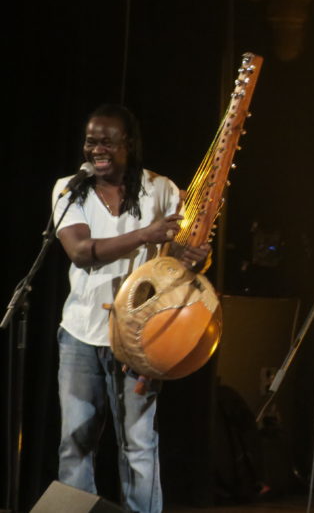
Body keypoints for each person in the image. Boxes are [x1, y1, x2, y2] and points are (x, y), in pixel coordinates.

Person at [51, 104, 208, 513]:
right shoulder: (69, 190)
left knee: (138, 444)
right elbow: (81, 251)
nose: (96, 149)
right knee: (75, 442)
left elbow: (177, 260)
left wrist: (195, 258)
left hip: (141, 337)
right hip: (81, 334)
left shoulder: (162, 190)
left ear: (129, 145)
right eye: (91, 141)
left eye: (107, 142)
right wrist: (145, 235)